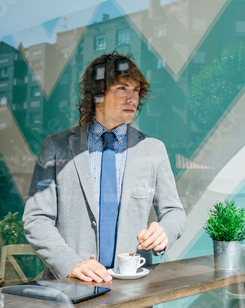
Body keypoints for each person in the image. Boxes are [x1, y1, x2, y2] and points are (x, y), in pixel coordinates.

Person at [23, 51, 186, 283]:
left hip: (133, 289)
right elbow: (36, 219)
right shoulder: (56, 146)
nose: (133, 98)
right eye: (122, 88)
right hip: (72, 288)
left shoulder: (153, 149)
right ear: (97, 94)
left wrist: (164, 232)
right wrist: (71, 264)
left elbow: (174, 212)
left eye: (136, 90)